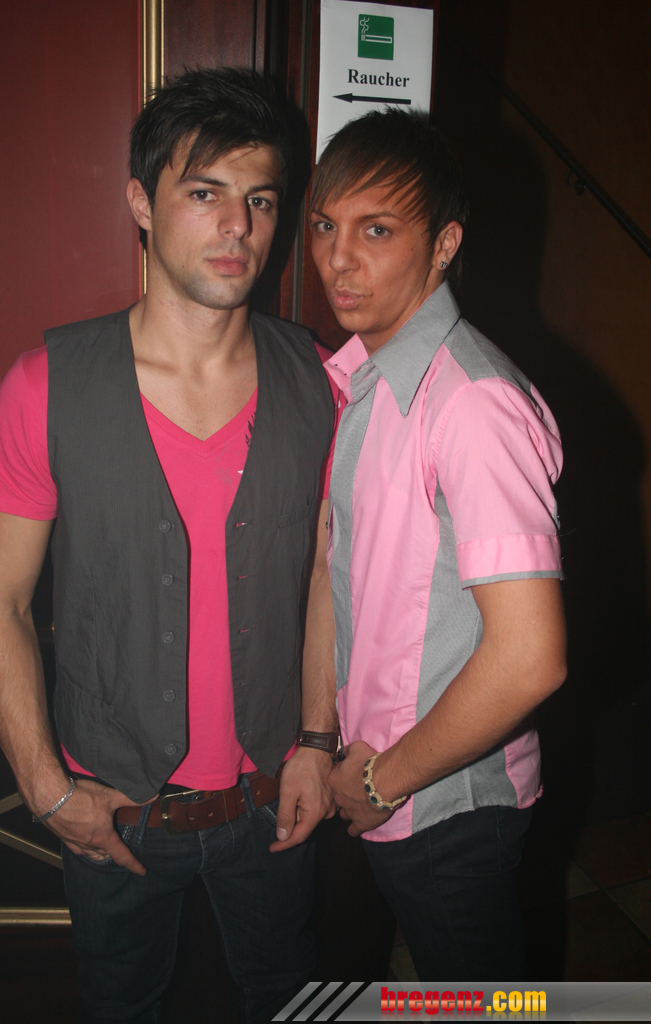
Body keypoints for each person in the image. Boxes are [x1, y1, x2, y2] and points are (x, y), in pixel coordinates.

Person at [0, 67, 340, 1022]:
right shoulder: (44, 387)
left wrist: (318, 745)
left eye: (260, 199)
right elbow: (4, 601)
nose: (237, 226)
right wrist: (45, 787)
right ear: (141, 203)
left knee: (288, 1001)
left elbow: (326, 573)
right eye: (204, 193)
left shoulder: (320, 380)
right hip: (113, 807)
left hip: (274, 799)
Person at [310, 109, 567, 981]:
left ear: (445, 243)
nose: (338, 259)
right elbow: (336, 575)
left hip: (445, 805)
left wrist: (381, 781)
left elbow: (530, 658)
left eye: (376, 230)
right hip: (369, 777)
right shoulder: (367, 378)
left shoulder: (473, 404)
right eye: (326, 226)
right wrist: (322, 744)